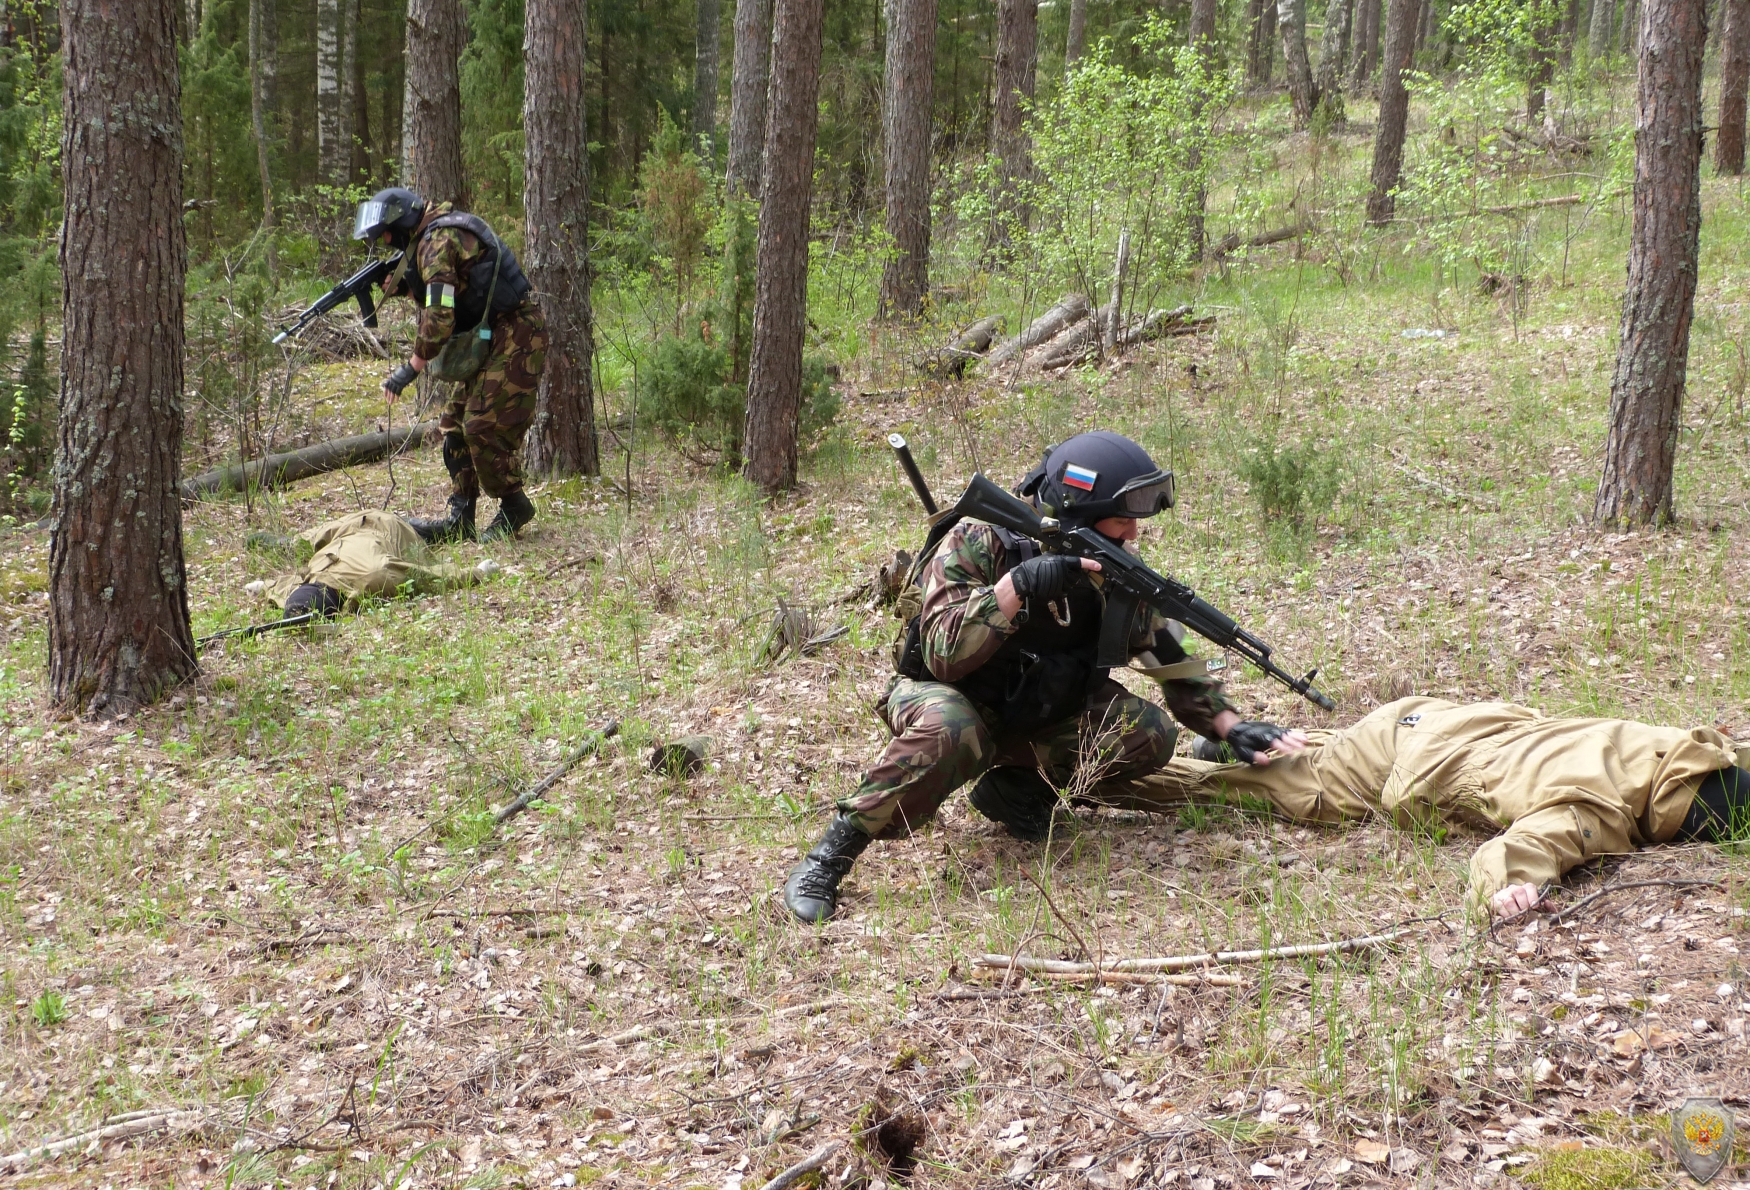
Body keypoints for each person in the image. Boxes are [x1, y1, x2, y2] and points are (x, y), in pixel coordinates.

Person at [782, 431, 1311, 924]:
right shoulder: (979, 539)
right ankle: (835, 850)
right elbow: (942, 650)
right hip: (948, 697)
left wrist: (1226, 723)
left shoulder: (1108, 562)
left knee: (1148, 733)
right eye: (1121, 518)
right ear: (1080, 511)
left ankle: (1017, 791)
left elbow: (1166, 651)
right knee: (950, 725)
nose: (1134, 532)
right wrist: (1018, 587)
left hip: (1036, 703)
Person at [1092, 696, 1750, 918]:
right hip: (1413, 759)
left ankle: (1236, 744)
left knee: (1324, 760)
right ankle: (1081, 775)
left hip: (1441, 720)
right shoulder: (1600, 809)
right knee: (1284, 793)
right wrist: (1509, 894)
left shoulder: (1673, 747)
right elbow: (1517, 852)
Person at [352, 187, 547, 544]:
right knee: (454, 427)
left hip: (517, 331)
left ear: (402, 223)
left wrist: (410, 369)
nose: (387, 243)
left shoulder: (436, 241)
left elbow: (440, 315)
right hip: (490, 332)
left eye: (387, 235)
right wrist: (406, 286)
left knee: (481, 425)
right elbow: (450, 292)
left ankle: (514, 505)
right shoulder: (432, 235)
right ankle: (462, 518)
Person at [260, 509, 488, 616]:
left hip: (390, 527)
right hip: (353, 526)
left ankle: (284, 542)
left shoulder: (372, 576)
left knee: (430, 531)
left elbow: (425, 576)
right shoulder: (314, 579)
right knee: (305, 541)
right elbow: (290, 590)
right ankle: (285, 542)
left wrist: (476, 573)